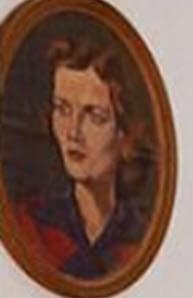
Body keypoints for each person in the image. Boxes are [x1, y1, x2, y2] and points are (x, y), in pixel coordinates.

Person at [21, 36, 153, 285]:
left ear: (125, 134)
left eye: (94, 115)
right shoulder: (31, 222)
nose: (73, 131)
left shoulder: (140, 238)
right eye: (62, 109)